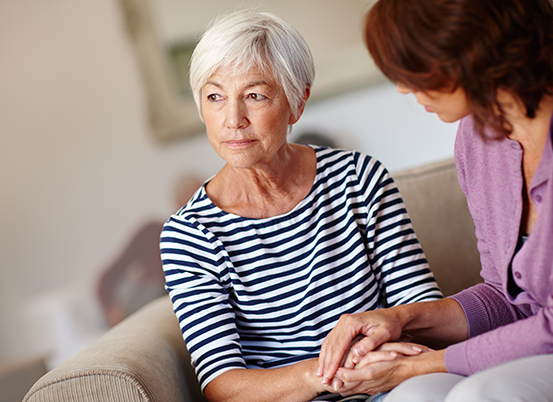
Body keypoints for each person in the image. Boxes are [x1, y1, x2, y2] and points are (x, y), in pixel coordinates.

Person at [159, 9, 442, 402]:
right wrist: (329, 373)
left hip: (394, 387)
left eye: (255, 95)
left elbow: (423, 314)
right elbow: (225, 387)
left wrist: (380, 364)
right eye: (215, 97)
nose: (233, 119)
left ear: (298, 101)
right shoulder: (190, 234)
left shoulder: (359, 180)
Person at [316, 0, 553, 400]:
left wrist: (416, 364)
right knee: (414, 395)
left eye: (414, 69)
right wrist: (401, 318)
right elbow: (506, 296)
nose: (404, 88)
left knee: (478, 394)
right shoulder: (478, 141)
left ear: (469, 50)